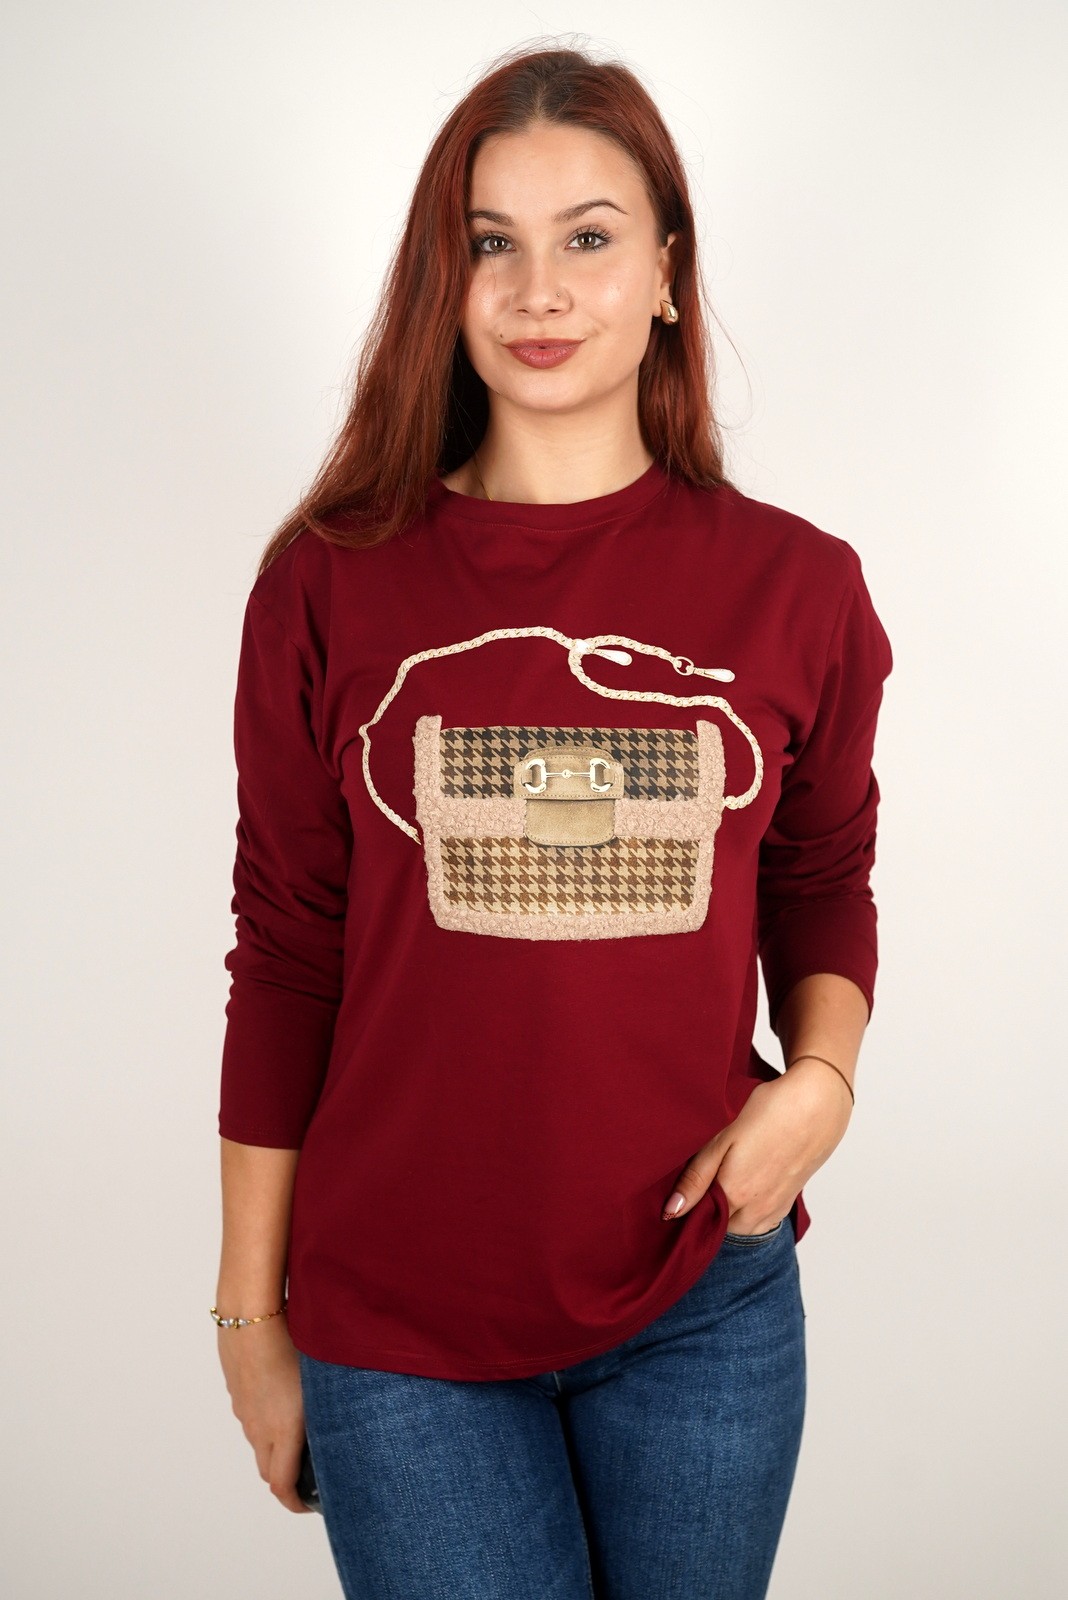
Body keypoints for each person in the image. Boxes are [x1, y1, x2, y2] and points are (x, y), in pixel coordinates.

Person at [212, 41, 893, 1600]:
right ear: (443, 282)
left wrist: (824, 1081)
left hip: (703, 1297)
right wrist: (252, 1315)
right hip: (398, 1324)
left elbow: (823, 874)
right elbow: (288, 955)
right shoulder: (328, 584)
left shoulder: (798, 586)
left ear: (667, 274)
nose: (539, 290)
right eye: (491, 243)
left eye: (588, 236)